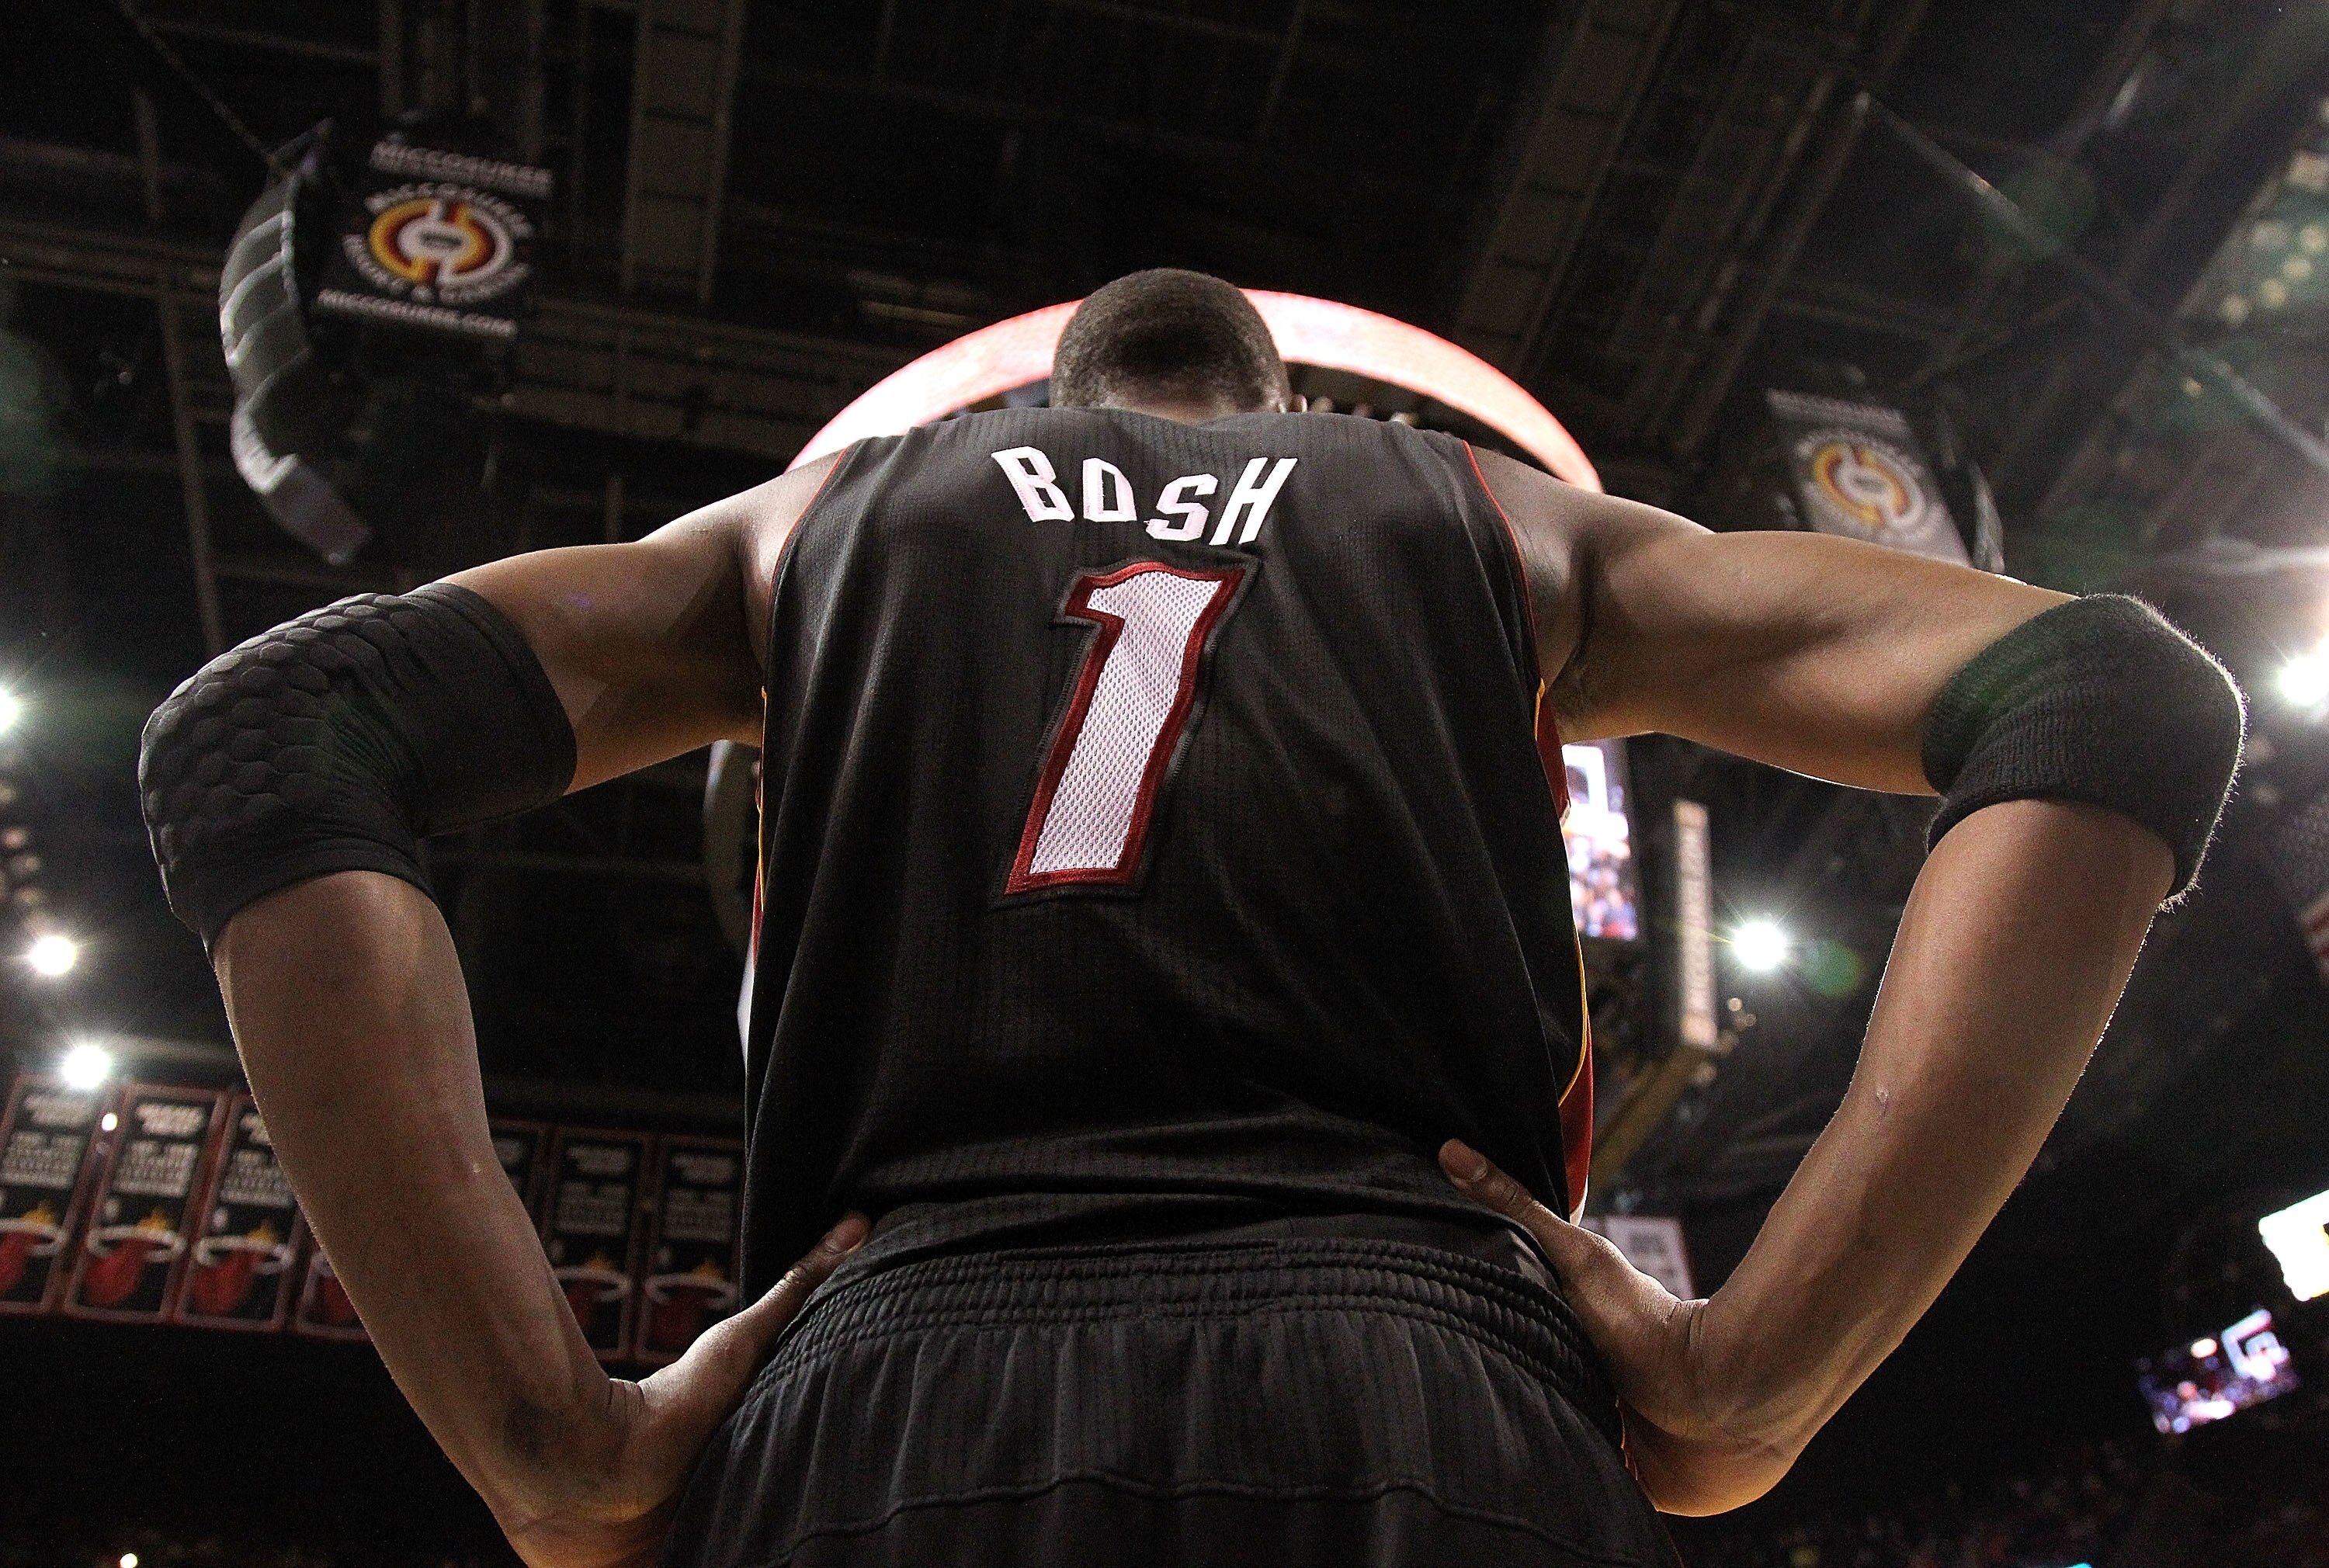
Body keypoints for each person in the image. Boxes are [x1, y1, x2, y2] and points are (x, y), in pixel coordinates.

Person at [138, 269, 2241, 1567]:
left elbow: (265, 734)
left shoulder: (812, 529)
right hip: (1432, 1392)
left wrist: (546, 1443)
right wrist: (1760, 1377)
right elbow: (2113, 691)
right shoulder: (1503, 520)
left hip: (893, 1394)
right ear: (1297, 401)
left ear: (1024, 399)